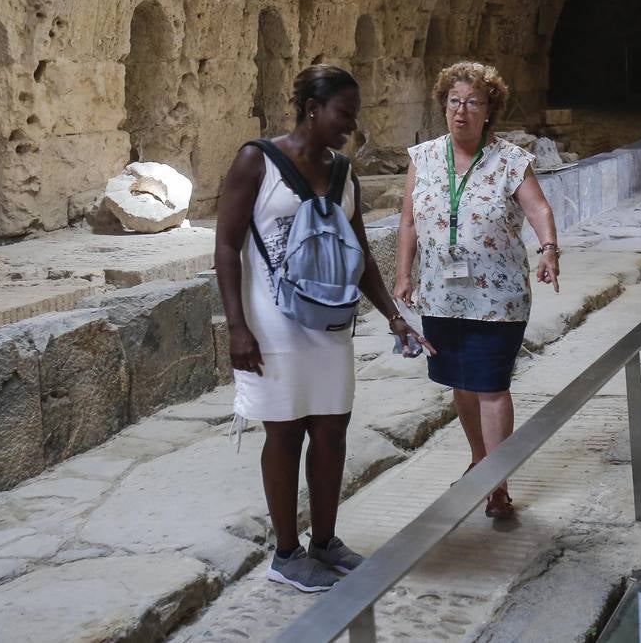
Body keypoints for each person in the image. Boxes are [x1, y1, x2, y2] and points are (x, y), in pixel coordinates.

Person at [214, 64, 426, 592]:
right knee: (284, 432)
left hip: (330, 320)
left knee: (331, 430)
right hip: (272, 325)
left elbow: (360, 257)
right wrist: (236, 328)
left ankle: (325, 541)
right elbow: (224, 247)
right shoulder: (255, 162)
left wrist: (394, 317)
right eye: (344, 115)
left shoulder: (342, 172)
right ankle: (286, 554)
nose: (350, 127)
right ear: (313, 109)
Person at [394, 61, 561, 520]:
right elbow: (407, 220)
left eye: (472, 102)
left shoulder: (510, 160)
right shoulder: (423, 157)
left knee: (490, 385)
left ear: (489, 110)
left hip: (497, 296)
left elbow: (539, 209)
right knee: (461, 383)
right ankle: (480, 459)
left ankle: (498, 482)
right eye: (454, 101)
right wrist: (403, 274)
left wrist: (549, 249)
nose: (461, 111)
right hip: (440, 293)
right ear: (443, 106)